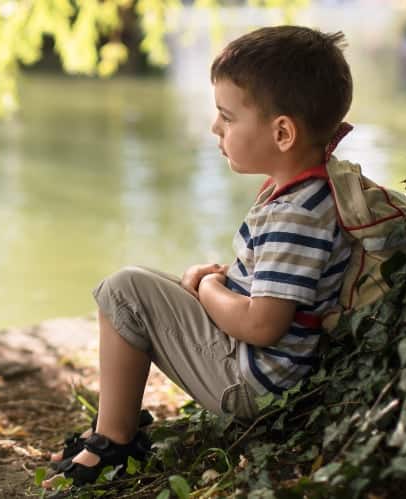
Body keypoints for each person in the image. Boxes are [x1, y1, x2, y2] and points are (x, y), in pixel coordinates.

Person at [43, 25, 356, 488]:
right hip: (267, 367)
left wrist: (209, 289)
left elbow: (262, 324)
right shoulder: (307, 195)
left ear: (283, 132)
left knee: (126, 291)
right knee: (145, 284)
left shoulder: (295, 215)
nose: (215, 127)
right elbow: (279, 285)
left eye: (227, 117)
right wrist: (218, 279)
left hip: (255, 382)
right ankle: (113, 433)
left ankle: (112, 443)